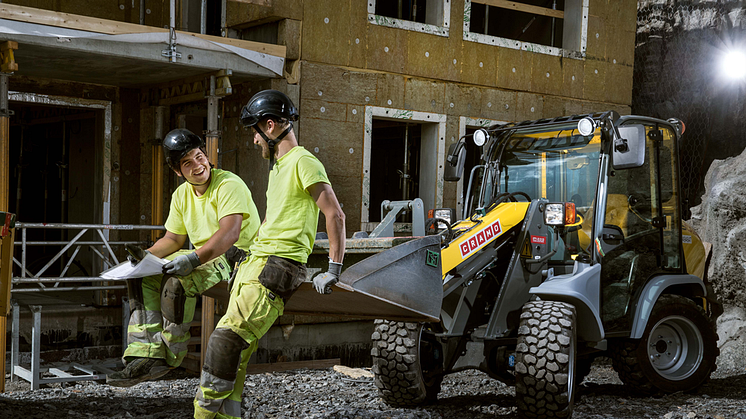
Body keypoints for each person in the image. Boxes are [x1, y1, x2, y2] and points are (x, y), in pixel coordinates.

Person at [193, 90, 346, 419]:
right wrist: (243, 251)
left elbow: (334, 214)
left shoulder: (303, 161)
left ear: (271, 126)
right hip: (257, 263)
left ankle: (201, 415)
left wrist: (334, 268)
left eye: (254, 131)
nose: (253, 140)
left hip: (277, 265)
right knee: (238, 353)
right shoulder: (279, 168)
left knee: (226, 341)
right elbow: (272, 219)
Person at [107, 128, 261, 387]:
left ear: (207, 156)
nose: (197, 165)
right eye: (187, 163)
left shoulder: (228, 184)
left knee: (177, 284)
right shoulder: (181, 194)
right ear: (177, 171)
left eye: (199, 157)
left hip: (236, 255)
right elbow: (174, 239)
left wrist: (192, 260)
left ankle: (169, 356)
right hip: (205, 254)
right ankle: (144, 355)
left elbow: (229, 234)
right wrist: (145, 258)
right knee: (142, 277)